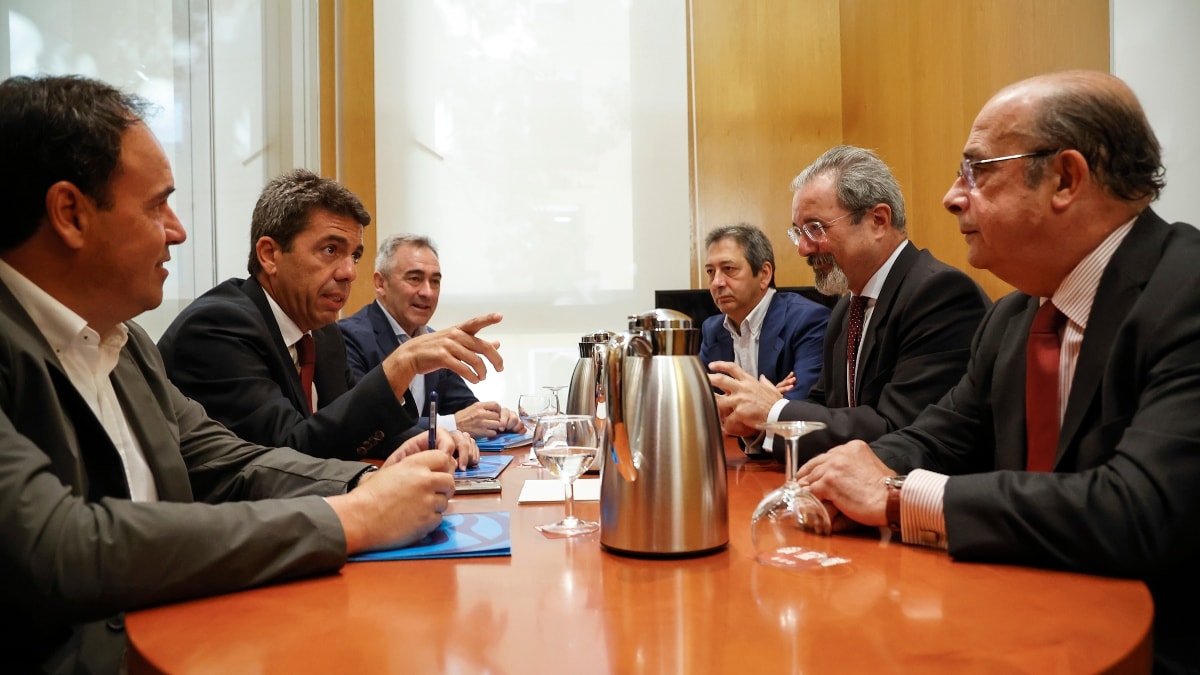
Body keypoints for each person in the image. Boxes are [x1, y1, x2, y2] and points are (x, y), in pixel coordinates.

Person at [0, 74, 473, 673]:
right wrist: (351, 516)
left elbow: (234, 464)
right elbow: (61, 547)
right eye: (156, 205)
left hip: (187, 636)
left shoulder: (128, 346)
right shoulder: (212, 325)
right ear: (70, 213)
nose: (178, 230)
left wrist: (362, 483)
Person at [795, 71, 1199, 673]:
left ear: (1066, 178)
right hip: (1013, 620)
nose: (951, 197)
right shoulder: (1013, 317)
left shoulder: (1186, 292)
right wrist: (848, 474)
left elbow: (1137, 509)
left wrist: (897, 496)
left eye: (977, 170)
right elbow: (939, 436)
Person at [158, 170, 487, 467]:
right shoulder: (218, 329)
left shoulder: (324, 336)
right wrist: (400, 366)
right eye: (331, 249)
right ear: (270, 254)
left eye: (354, 255)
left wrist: (424, 442)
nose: (349, 273)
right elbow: (289, 455)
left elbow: (350, 429)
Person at [709, 146, 990, 464]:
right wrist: (756, 422)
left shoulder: (939, 295)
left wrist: (774, 411)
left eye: (815, 229)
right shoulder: (846, 309)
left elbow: (902, 430)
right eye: (799, 233)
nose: (803, 249)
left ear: (878, 221)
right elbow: (823, 410)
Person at [339, 234, 524, 438]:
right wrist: (452, 423)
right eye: (415, 279)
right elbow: (363, 423)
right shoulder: (347, 337)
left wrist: (495, 417)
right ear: (380, 283)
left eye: (435, 281)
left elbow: (463, 406)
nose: (428, 292)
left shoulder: (434, 341)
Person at [698, 223, 830, 400]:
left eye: (728, 269)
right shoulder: (712, 329)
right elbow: (702, 403)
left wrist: (739, 409)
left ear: (764, 274)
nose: (716, 282)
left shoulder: (808, 321)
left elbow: (803, 407)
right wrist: (765, 400)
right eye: (710, 272)